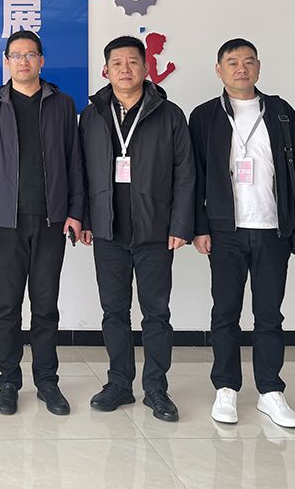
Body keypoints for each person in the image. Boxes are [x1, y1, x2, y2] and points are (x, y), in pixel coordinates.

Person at [189, 38, 295, 428]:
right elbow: (194, 177)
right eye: (232, 62)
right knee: (225, 313)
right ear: (219, 70)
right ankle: (226, 388)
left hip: (272, 229)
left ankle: (270, 391)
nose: (241, 69)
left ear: (259, 67)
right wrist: (199, 227)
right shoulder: (204, 116)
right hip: (224, 230)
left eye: (248, 62)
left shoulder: (280, 112)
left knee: (269, 314)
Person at [78, 36, 194, 422]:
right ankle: (119, 383)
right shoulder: (92, 115)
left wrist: (181, 224)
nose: (125, 69)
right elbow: (79, 171)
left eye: (132, 62)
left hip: (155, 230)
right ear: (105, 70)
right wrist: (86, 219)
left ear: (146, 68)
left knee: (156, 313)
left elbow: (185, 174)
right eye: (117, 62)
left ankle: (156, 388)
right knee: (114, 311)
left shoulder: (169, 114)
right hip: (107, 229)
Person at [0, 30, 84, 416]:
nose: (23, 61)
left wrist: (75, 211)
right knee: (7, 307)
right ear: (6, 62)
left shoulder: (62, 105)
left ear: (41, 61)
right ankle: (8, 382)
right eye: (16, 55)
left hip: (52, 221)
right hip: (5, 223)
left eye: (30, 55)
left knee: (45, 305)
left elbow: (74, 161)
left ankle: (47, 382)